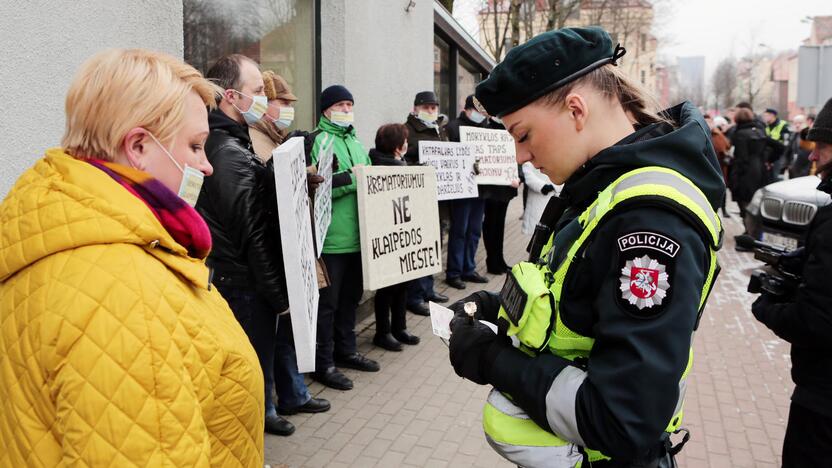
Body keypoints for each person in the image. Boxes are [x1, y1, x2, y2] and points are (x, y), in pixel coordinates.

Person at [447, 27, 723, 467]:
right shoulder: (600, 187)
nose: (520, 156)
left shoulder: (651, 222)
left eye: (523, 135)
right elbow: (577, 300)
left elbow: (623, 420)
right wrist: (498, 308)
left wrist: (492, 360)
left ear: (576, 109)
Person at [0, 49, 264, 465]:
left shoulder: (68, 233)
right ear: (139, 146)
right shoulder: (127, 293)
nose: (207, 166)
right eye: (196, 146)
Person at [196, 54, 293, 436]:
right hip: (243, 289)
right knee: (246, 381)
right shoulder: (227, 152)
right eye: (256, 92)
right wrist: (279, 297)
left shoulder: (231, 144)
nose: (264, 101)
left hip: (241, 284)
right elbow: (252, 235)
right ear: (232, 97)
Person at [751, 97, 832, 468]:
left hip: (823, 404)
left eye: (823, 146)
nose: (813, 157)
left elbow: (816, 322)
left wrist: (766, 308)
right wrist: (799, 261)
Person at [248, 71, 331, 423]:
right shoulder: (256, 139)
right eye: (281, 102)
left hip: (287, 249)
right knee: (272, 335)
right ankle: (273, 404)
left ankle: (293, 393)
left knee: (286, 331)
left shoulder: (273, 137)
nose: (286, 109)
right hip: (272, 251)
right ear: (265, 103)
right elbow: (264, 192)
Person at [310, 85, 379, 391]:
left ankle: (346, 351)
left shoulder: (356, 140)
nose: (346, 109)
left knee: (351, 299)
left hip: (357, 237)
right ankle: (323, 364)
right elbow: (320, 187)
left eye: (349, 103)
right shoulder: (318, 141)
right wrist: (354, 177)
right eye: (340, 104)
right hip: (331, 240)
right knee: (328, 305)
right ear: (326, 110)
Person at [368, 124, 422, 351]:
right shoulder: (382, 167)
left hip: (401, 235)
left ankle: (399, 327)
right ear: (398, 146)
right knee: (387, 289)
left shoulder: (400, 164)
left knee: (403, 285)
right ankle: (383, 332)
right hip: (387, 235)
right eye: (405, 141)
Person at [403, 91, 450, 315]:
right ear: (416, 109)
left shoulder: (440, 130)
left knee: (434, 244)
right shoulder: (407, 130)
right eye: (427, 107)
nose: (431, 111)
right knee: (419, 247)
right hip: (418, 197)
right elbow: (403, 159)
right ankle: (415, 296)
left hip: (438, 197)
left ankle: (428, 289)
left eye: (434, 107)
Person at [445, 94, 490, 290]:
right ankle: (454, 272)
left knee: (473, 230)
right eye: (478, 111)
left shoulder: (485, 129)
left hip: (480, 188)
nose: (481, 115)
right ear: (468, 109)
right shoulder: (453, 127)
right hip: (461, 189)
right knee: (459, 230)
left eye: (483, 112)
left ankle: (468, 268)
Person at [480, 116, 520, 274]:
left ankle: (499, 259)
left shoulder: (508, 128)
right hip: (491, 186)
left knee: (500, 224)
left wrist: (519, 176)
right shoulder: (487, 129)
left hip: (506, 186)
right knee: (491, 223)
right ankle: (492, 261)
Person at [728, 108, 769, 222]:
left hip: (746, 171)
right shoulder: (759, 131)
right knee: (755, 199)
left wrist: (736, 174)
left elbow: (742, 157)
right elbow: (774, 147)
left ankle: (748, 228)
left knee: (744, 198)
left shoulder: (740, 134)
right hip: (760, 168)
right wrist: (768, 161)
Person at [520, 161, 558, 235]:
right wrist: (542, 186)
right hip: (536, 200)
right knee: (535, 231)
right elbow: (528, 175)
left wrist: (555, 187)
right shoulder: (531, 161)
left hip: (553, 197)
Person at [762, 108, 792, 181]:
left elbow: (786, 143)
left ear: (772, 116)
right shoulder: (765, 126)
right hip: (768, 156)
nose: (764, 117)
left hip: (779, 155)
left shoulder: (783, 125)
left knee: (776, 178)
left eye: (766, 115)